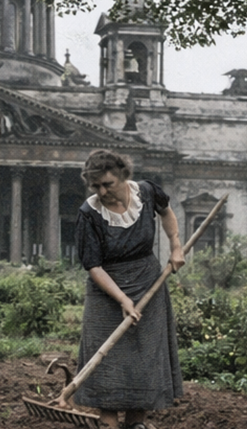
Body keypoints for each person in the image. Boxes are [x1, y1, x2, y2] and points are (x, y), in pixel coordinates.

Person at [73, 149, 184, 429]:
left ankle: (137, 424)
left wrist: (176, 246)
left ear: (124, 176)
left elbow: (167, 213)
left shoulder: (146, 193)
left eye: (108, 184)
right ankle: (107, 424)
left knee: (144, 357)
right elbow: (93, 266)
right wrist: (122, 298)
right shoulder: (89, 213)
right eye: (95, 185)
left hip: (148, 283)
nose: (102, 191)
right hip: (106, 292)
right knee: (106, 362)